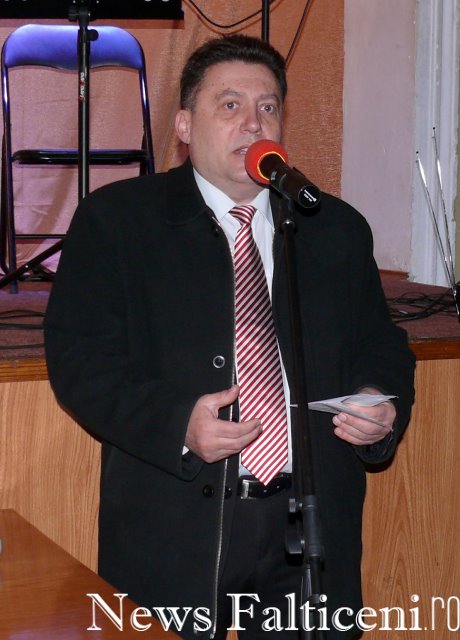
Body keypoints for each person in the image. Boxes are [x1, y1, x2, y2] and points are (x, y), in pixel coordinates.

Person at [44, 34, 415, 639]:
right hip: (175, 526)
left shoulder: (334, 228)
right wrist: (177, 424)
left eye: (268, 107)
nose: (253, 122)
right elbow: (80, 361)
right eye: (230, 105)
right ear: (184, 125)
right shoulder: (118, 222)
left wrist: (379, 401)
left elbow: (381, 343)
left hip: (311, 530)